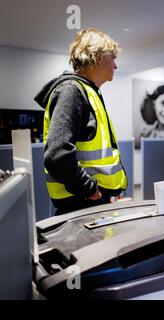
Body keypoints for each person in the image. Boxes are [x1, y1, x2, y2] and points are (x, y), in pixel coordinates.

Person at [34, 28, 127, 215]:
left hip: (91, 202)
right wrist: (90, 189)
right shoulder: (72, 91)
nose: (115, 66)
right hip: (82, 203)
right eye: (113, 58)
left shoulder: (88, 91)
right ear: (100, 58)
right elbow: (57, 156)